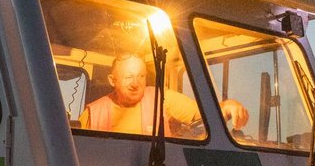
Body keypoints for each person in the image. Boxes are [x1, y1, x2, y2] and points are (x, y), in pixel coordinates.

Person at [79, 54, 249, 135]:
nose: (135, 83)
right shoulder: (92, 113)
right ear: (112, 80)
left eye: (141, 76)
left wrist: (228, 105)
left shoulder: (162, 98)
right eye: (128, 77)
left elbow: (203, 114)